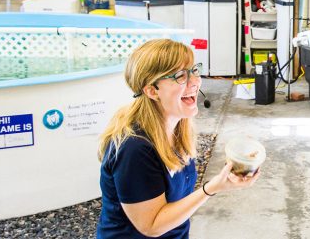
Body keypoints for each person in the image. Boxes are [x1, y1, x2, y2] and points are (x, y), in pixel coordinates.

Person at [96, 39, 260, 239]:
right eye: (180, 76)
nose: (195, 82)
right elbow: (151, 226)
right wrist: (212, 188)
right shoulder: (134, 149)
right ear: (152, 90)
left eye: (193, 70)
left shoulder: (178, 126)